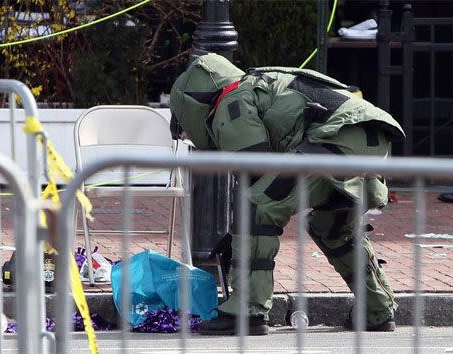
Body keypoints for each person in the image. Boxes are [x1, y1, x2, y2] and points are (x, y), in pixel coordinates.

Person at [170, 53, 405, 336]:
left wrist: (241, 234)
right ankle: (377, 309)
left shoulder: (231, 99)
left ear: (191, 104)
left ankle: (248, 310)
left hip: (333, 140)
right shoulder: (260, 84)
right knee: (332, 227)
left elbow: (255, 169)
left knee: (255, 207)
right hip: (367, 139)